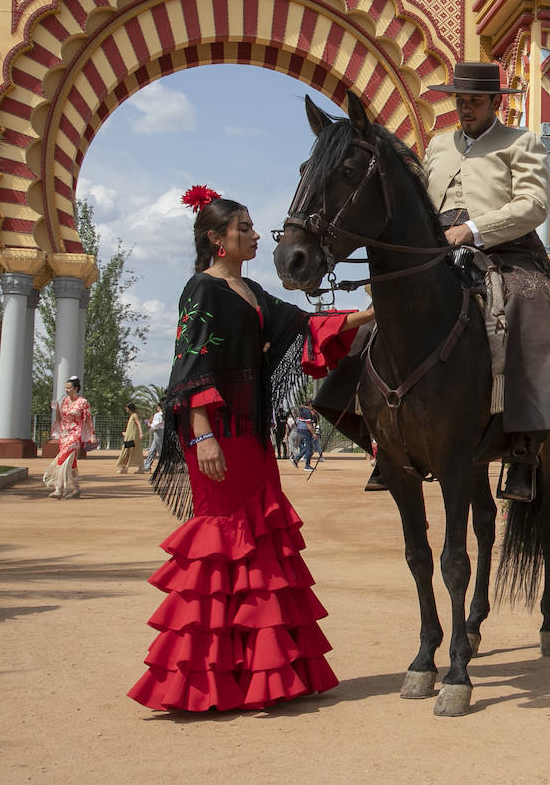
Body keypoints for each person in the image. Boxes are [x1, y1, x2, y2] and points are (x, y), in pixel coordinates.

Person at [128, 186, 372, 712]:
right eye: (245, 228)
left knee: (260, 541)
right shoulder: (202, 289)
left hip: (252, 432)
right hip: (216, 431)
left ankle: (266, 676)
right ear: (217, 238)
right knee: (220, 544)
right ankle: (205, 680)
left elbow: (306, 325)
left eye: (253, 227)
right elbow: (190, 364)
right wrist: (201, 434)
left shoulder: (252, 291)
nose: (257, 235)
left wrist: (371, 313)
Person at [422, 61, 550, 502]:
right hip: (437, 251)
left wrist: (472, 231)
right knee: (388, 307)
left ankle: (526, 445)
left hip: (505, 249)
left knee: (536, 308)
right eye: (460, 100)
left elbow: (532, 205)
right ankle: (382, 426)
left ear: (495, 102)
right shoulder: (438, 145)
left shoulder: (520, 142)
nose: (465, 108)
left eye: (474, 101)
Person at [42, 375, 94, 499]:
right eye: (66, 388)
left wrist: (92, 434)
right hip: (64, 434)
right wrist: (56, 409)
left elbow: (88, 419)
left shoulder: (83, 402)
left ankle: (59, 488)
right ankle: (76, 488)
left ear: (76, 388)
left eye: (69, 388)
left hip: (75, 434)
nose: (67, 390)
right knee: (71, 462)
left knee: (62, 459)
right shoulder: (64, 401)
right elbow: (60, 418)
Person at [116, 402, 144, 474]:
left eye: (127, 408)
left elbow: (138, 424)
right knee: (128, 451)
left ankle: (127, 468)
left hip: (132, 438)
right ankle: (126, 468)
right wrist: (126, 433)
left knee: (130, 451)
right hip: (129, 437)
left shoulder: (134, 415)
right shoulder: (132, 415)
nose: (126, 409)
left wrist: (141, 433)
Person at [142, 405, 164, 471]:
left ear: (158, 407)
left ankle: (166, 466)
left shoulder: (158, 415)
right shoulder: (166, 414)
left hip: (159, 433)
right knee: (152, 450)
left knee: (160, 450)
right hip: (162, 432)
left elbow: (155, 426)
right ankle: (147, 466)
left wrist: (148, 423)